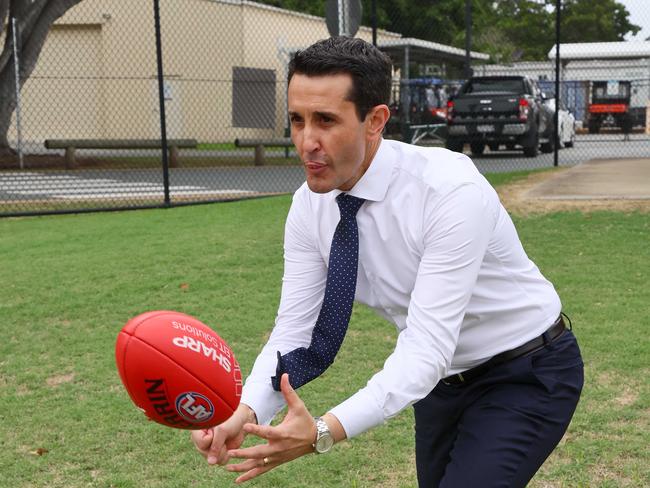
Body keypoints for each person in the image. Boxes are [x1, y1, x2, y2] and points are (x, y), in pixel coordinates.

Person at [191, 36, 584, 487]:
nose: (306, 142)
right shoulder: (308, 206)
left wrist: (321, 432)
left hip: (526, 371)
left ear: (375, 120)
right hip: (440, 387)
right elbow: (295, 330)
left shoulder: (448, 191)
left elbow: (426, 347)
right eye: (297, 120)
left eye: (325, 120)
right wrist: (246, 411)